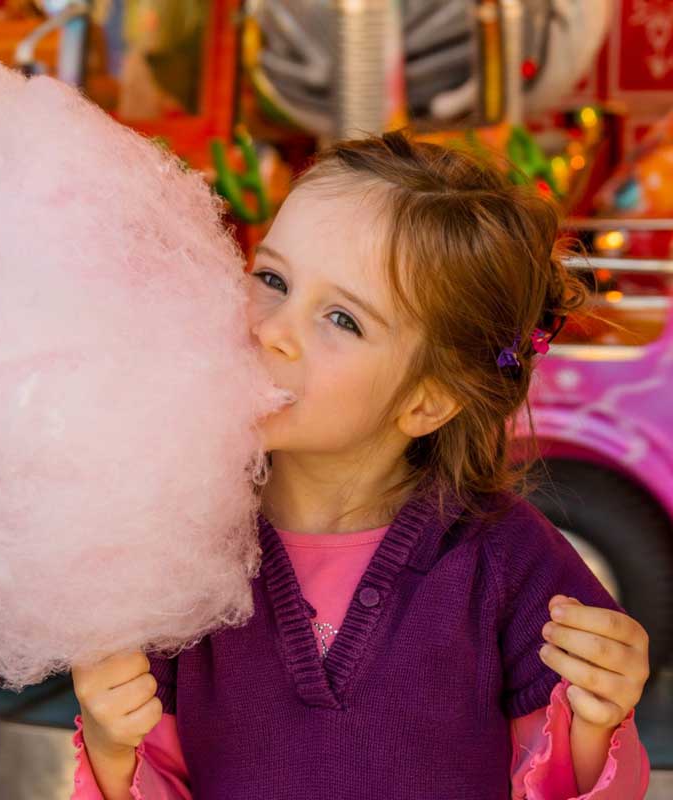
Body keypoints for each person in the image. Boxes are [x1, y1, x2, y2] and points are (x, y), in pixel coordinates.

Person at [68, 131, 652, 799]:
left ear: (428, 401)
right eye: (272, 279)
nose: (273, 330)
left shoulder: (508, 566)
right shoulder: (176, 555)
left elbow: (558, 780)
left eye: (342, 319)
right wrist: (115, 747)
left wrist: (596, 721)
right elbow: (163, 777)